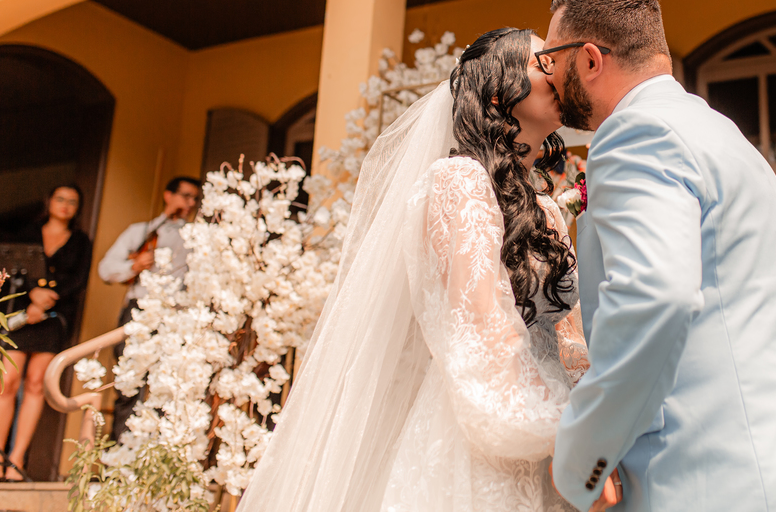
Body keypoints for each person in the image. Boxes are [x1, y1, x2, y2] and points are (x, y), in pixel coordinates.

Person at [543, 0, 776, 512]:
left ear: (588, 60)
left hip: (720, 476)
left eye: (550, 59)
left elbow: (655, 295)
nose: (548, 75)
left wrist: (586, 456)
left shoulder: (635, 136)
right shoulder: (717, 131)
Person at [237, 27, 590, 512]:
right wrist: (556, 433)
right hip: (488, 436)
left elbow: (571, 336)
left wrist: (596, 423)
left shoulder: (547, 211)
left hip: (565, 434)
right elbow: (481, 334)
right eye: (540, 64)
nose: (558, 74)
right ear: (496, 88)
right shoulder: (459, 182)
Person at [0, 184, 92, 481]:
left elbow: (78, 280)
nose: (65, 205)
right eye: (60, 199)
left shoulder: (81, 241)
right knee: (7, 382)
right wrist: (31, 296)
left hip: (53, 318)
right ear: (49, 202)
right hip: (21, 315)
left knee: (36, 384)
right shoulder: (27, 232)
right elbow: (8, 269)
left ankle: (17, 458)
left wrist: (47, 299)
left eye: (72, 201)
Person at [97, 175, 199, 441]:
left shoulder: (196, 236)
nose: (190, 203)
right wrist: (134, 266)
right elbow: (106, 270)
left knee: (170, 386)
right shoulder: (140, 232)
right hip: (139, 308)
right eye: (185, 196)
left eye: (194, 199)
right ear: (168, 195)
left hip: (177, 315)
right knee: (129, 386)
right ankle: (120, 456)